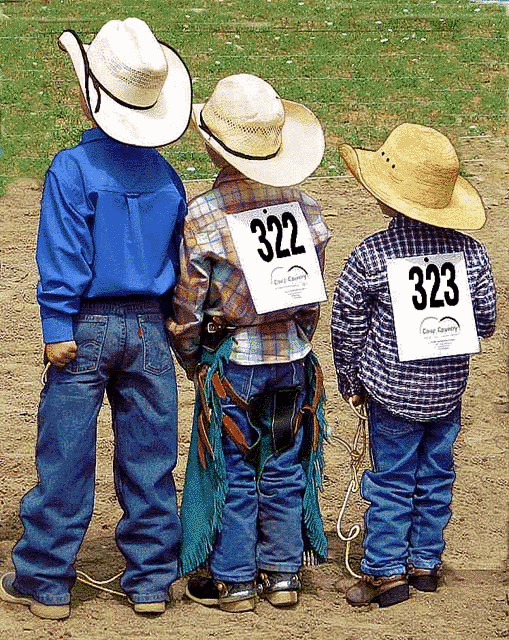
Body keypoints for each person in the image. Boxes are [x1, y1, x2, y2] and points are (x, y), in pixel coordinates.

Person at [0, 18, 192, 619]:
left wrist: (56, 327)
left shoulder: (71, 169)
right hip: (148, 328)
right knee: (151, 456)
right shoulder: (167, 177)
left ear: (91, 95)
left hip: (83, 326)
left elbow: (62, 254)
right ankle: (151, 579)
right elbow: (178, 261)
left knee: (64, 453)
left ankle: (48, 577)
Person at [167, 74, 330, 613]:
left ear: (213, 146)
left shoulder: (205, 213)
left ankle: (234, 578)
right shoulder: (302, 207)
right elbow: (312, 288)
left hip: (234, 359)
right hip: (292, 357)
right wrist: (300, 333)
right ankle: (281, 573)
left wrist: (191, 353)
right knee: (283, 460)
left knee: (234, 466)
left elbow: (190, 301)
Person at [331, 123, 496, 608]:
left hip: (391, 394)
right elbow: (484, 321)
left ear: (386, 199)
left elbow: (346, 325)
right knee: (436, 474)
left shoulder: (370, 255)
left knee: (390, 479)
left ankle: (385, 571)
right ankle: (424, 562)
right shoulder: (470, 253)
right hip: (447, 392)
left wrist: (351, 379)